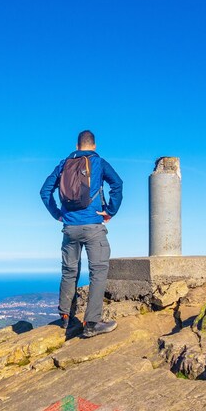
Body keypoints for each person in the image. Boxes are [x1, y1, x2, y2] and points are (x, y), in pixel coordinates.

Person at [39, 130, 123, 337]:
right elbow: (117, 184)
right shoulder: (98, 162)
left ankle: (66, 318)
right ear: (94, 145)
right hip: (93, 226)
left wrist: (57, 214)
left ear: (77, 146)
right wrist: (110, 211)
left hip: (69, 228)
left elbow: (44, 191)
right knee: (98, 272)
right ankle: (92, 324)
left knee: (69, 271)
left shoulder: (63, 164)